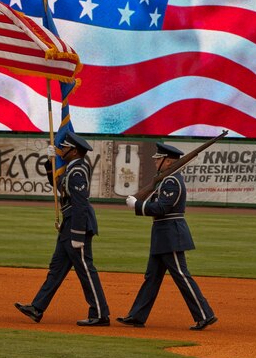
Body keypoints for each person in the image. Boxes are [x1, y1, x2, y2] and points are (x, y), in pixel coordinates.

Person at [117, 142, 217, 330]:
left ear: (168, 161)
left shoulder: (171, 181)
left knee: (181, 275)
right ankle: (137, 316)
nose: (155, 163)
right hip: (163, 235)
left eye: (158, 160)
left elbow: (162, 208)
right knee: (152, 277)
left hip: (171, 234)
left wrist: (137, 205)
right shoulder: (166, 180)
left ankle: (205, 314)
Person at [15, 132, 110, 326]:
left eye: (64, 148)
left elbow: (80, 203)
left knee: (85, 270)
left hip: (77, 225)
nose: (61, 150)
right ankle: (37, 307)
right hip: (69, 223)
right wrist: (50, 165)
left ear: (74, 151)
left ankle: (100, 313)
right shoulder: (72, 169)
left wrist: (77, 233)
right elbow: (61, 191)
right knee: (56, 269)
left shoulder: (77, 171)